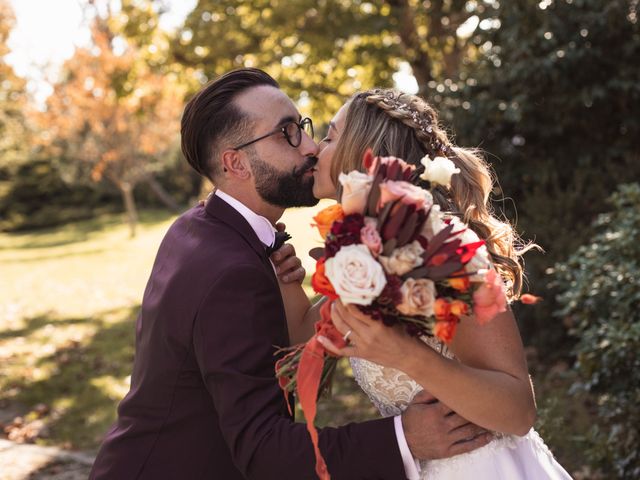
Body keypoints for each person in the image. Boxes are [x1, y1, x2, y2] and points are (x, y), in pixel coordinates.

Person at [89, 70, 491, 480]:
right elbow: (263, 449)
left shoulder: (199, 227)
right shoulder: (230, 270)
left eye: (303, 128)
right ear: (235, 163)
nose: (312, 147)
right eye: (287, 134)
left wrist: (286, 286)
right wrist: (403, 439)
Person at [301, 88, 573, 479]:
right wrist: (276, 264)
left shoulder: (443, 246)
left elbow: (518, 411)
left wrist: (406, 355)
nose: (316, 150)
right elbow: (297, 334)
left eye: (329, 137)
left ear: (360, 153)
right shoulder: (362, 253)